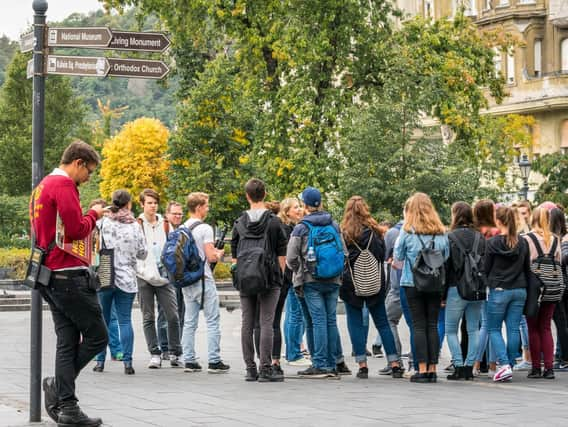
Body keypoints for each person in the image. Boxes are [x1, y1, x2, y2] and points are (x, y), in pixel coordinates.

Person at [33, 141, 108, 426]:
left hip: (49, 276)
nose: (88, 177)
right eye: (88, 171)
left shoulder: (43, 186)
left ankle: (68, 408)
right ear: (77, 162)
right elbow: (76, 230)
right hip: (68, 275)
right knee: (98, 336)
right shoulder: (63, 186)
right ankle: (58, 388)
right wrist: (94, 214)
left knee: (66, 341)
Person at [287, 186, 348, 378]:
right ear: (320, 203)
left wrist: (300, 270)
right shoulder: (334, 225)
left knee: (316, 320)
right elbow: (344, 252)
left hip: (310, 279)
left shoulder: (301, 227)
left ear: (305, 205)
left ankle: (320, 363)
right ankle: (331, 362)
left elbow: (291, 258)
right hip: (333, 279)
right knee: (330, 320)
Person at [340, 196, 403, 379]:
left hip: (352, 285)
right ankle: (394, 363)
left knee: (355, 323)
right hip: (375, 283)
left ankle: (362, 365)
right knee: (382, 322)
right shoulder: (376, 232)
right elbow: (382, 255)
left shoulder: (345, 233)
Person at [231, 178, 287, 382]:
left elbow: (235, 253)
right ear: (264, 194)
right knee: (266, 322)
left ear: (247, 196)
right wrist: (279, 275)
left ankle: (250, 368)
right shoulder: (273, 222)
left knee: (247, 322)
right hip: (269, 277)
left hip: (245, 277)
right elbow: (282, 251)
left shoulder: (239, 222)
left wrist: (241, 271)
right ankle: (266, 368)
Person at [394, 192, 449, 383]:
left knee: (418, 326)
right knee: (432, 325)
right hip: (435, 283)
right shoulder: (441, 232)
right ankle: (433, 369)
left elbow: (398, 256)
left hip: (412, 282)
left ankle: (422, 369)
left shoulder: (407, 232)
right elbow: (446, 256)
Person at [92, 190, 147, 375]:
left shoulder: (104, 223)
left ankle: (100, 361)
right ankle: (128, 362)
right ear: (129, 204)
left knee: (104, 320)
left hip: (106, 275)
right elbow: (143, 253)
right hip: (128, 278)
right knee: (125, 320)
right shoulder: (135, 226)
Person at [181, 192, 230, 373]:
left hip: (187, 279)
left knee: (189, 321)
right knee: (212, 320)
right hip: (203, 279)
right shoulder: (205, 228)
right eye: (207, 206)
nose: (208, 209)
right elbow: (210, 256)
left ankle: (189, 359)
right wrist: (219, 253)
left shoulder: (183, 227)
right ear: (199, 207)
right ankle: (214, 360)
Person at [136, 189, 182, 369]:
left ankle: (174, 352)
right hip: (144, 276)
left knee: (172, 315)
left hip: (164, 276)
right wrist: (140, 270)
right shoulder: (137, 224)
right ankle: (154, 353)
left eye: (155, 202)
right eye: (149, 203)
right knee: (148, 316)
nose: (153, 206)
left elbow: (173, 248)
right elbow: (133, 252)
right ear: (142, 204)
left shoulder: (165, 224)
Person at [485, 206, 530, 382]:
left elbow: (486, 268)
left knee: (493, 328)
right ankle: (510, 363)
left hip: (499, 290)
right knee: (513, 328)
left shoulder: (493, 243)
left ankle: (504, 364)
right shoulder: (523, 242)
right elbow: (527, 268)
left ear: (498, 221)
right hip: (519, 289)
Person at [444, 202, 485, 380]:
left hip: (456, 288)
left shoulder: (450, 237)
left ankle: (458, 366)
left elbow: (446, 266)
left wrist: (442, 293)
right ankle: (469, 367)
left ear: (455, 215)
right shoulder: (479, 237)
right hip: (477, 288)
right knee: (473, 329)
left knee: (451, 329)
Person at [523, 206, 562, 379]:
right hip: (553, 286)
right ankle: (549, 368)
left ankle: (536, 368)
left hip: (534, 287)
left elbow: (524, 263)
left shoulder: (527, 239)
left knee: (533, 328)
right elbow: (559, 261)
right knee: (546, 327)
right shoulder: (555, 239)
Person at [89, 198, 123, 362]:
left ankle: (112, 351)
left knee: (108, 314)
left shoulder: (105, 227)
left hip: (104, 269)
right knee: (105, 314)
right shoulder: (90, 227)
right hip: (97, 270)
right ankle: (109, 351)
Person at [279, 198, 311, 366]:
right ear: (287, 212)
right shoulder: (289, 230)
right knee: (296, 315)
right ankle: (294, 353)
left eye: (300, 206)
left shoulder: (290, 227)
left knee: (292, 315)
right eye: (296, 207)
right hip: (293, 276)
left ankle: (292, 350)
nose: (300, 209)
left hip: (289, 276)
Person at [472, 199, 500, 377]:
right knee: (494, 327)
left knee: (483, 325)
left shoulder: (475, 232)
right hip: (497, 281)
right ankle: (492, 365)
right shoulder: (497, 232)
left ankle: (475, 364)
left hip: (480, 281)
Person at [157, 201, 185, 359]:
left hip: (180, 277)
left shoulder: (183, 230)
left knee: (179, 312)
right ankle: (164, 347)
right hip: (166, 275)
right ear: (167, 214)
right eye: (174, 213)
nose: (177, 216)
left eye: (180, 214)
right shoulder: (163, 229)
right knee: (164, 313)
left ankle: (176, 346)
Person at [550, 207, 568, 370]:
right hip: (562, 283)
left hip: (557, 285)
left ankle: (564, 357)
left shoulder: (557, 239)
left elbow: (564, 259)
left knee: (561, 323)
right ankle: (560, 355)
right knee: (562, 322)